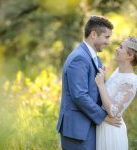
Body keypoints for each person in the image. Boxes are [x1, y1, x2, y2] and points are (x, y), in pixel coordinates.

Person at [57, 16, 121, 150]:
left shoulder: (92, 58)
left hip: (87, 127)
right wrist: (104, 117)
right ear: (93, 34)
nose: (108, 42)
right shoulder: (79, 58)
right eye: (106, 37)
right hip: (77, 131)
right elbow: (79, 95)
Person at [95, 37, 137, 150]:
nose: (117, 49)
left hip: (111, 130)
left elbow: (113, 111)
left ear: (130, 56)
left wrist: (101, 85)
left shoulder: (131, 81)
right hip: (102, 125)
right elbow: (108, 96)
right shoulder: (117, 71)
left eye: (121, 47)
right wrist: (103, 78)